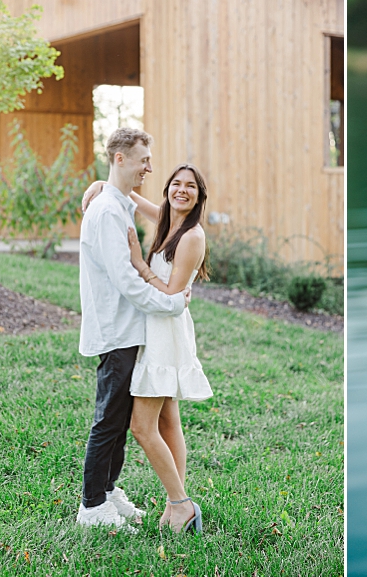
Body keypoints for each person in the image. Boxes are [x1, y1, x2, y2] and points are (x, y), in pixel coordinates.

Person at [76, 128, 190, 530]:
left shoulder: (118, 202)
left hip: (131, 330)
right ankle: (91, 507)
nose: (150, 167)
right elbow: (126, 280)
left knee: (120, 417)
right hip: (117, 330)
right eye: (144, 159)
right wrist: (172, 304)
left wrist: (104, 183)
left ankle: (107, 492)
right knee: (109, 418)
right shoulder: (107, 211)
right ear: (120, 159)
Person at [124, 164, 213, 534]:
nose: (182, 190)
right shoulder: (167, 220)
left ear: (199, 196)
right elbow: (131, 196)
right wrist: (103, 184)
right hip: (158, 327)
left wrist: (138, 264)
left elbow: (173, 294)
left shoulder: (192, 236)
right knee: (167, 420)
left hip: (166, 332)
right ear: (168, 190)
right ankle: (174, 502)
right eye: (176, 184)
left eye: (190, 186)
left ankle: (181, 504)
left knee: (141, 426)